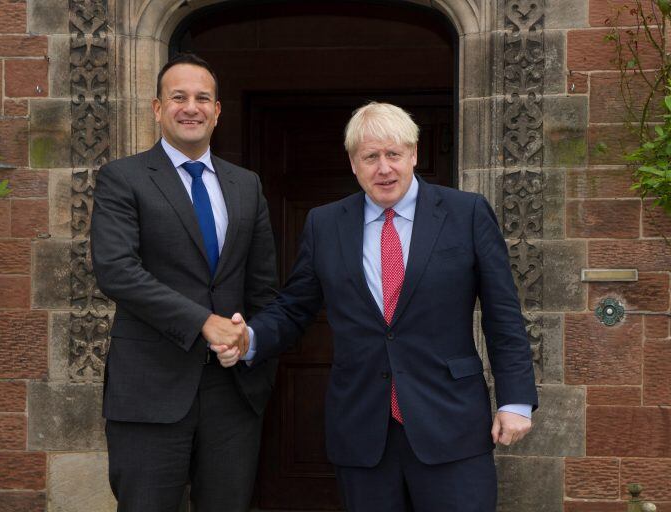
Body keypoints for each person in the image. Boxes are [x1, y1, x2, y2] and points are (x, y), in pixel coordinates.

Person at [213, 102, 538, 511]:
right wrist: (250, 338)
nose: (384, 168)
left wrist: (515, 401)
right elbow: (296, 306)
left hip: (451, 423)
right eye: (370, 157)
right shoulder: (324, 223)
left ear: (414, 154)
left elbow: (502, 313)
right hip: (363, 430)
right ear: (353, 163)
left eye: (393, 154)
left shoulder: (465, 213)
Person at [90, 53, 278, 512]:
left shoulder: (246, 185)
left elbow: (264, 287)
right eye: (178, 97)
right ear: (157, 109)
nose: (190, 107)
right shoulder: (123, 178)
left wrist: (248, 338)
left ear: (217, 112)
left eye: (202, 98)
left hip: (232, 395)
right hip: (150, 392)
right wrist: (203, 323)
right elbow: (117, 270)